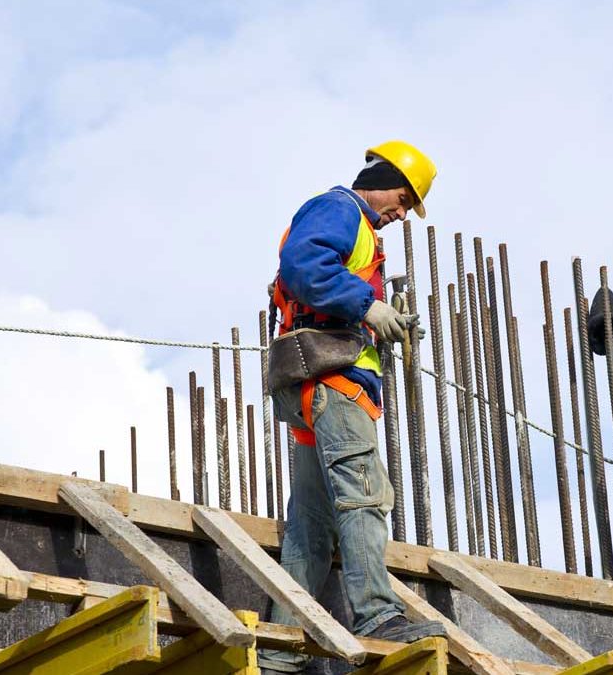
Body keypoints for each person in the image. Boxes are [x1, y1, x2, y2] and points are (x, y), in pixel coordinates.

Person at [259, 141, 445, 674]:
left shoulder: (358, 231)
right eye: (405, 199)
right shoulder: (341, 209)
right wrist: (368, 306)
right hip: (334, 384)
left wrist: (376, 316)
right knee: (364, 496)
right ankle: (376, 616)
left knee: (311, 526)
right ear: (384, 179)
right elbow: (303, 265)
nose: (402, 214)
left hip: (316, 386)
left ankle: (279, 651)